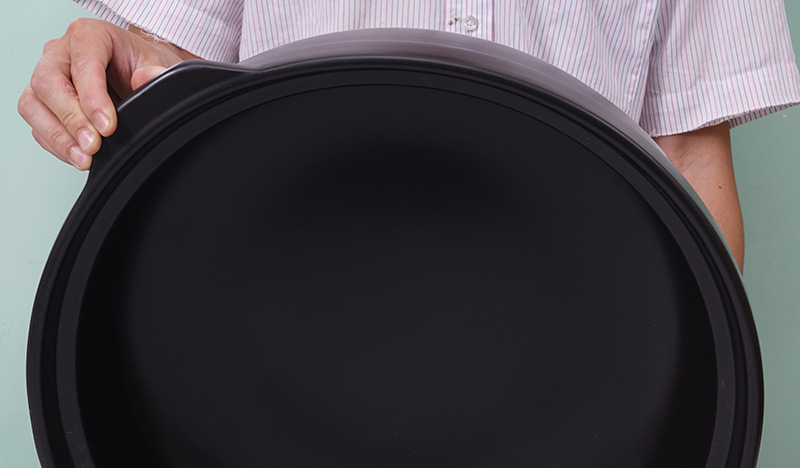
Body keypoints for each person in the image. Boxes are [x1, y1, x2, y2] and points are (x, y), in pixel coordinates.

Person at [18, 1, 800, 270]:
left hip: (570, 373)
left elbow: (688, 163)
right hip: (288, 333)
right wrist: (116, 65)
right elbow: (172, 72)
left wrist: (682, 435)